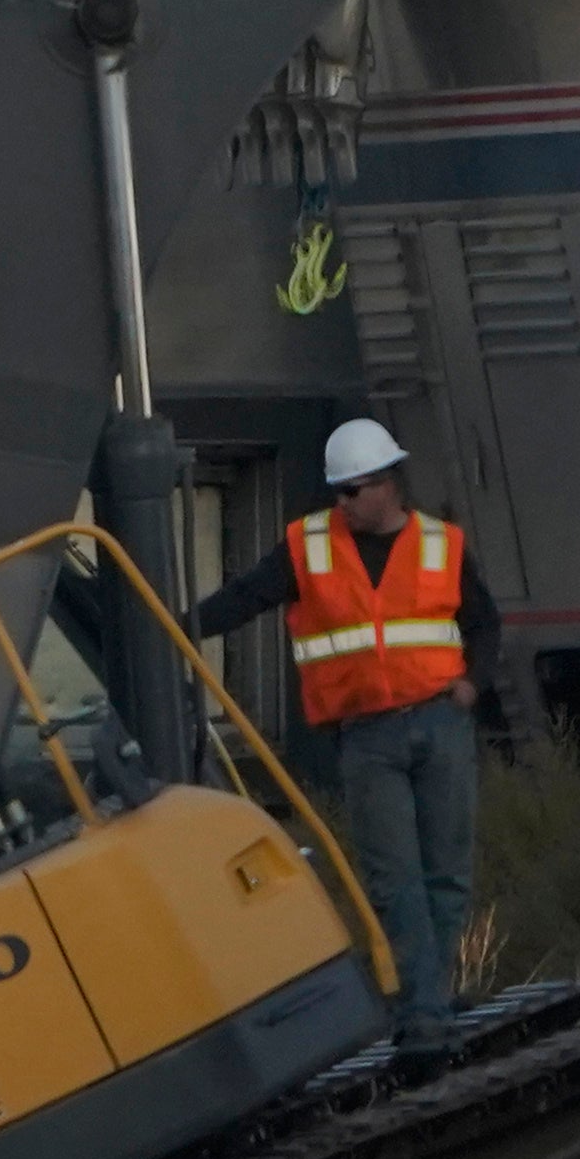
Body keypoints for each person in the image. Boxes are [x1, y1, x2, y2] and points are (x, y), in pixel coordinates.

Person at [180, 418, 496, 1060]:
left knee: (446, 873)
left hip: (439, 723)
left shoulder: (443, 545)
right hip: (367, 737)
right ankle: (425, 1012)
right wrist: (174, 623)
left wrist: (472, 687)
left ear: (389, 486)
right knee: (395, 876)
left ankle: (429, 997)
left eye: (356, 490)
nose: (344, 503)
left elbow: (482, 623)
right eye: (339, 492)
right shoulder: (308, 547)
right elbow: (246, 597)